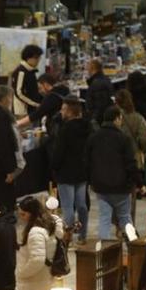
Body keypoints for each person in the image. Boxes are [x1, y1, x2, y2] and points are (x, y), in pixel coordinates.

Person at [87, 106, 139, 239]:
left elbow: (87, 161)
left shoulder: (94, 138)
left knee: (104, 219)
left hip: (101, 187)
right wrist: (138, 181)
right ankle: (132, 250)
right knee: (125, 219)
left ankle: (104, 254)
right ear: (116, 119)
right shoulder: (124, 139)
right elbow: (130, 163)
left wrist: (91, 181)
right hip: (122, 187)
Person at [50, 97, 92, 240]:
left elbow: (58, 152)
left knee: (68, 207)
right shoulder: (88, 127)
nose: (61, 111)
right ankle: (82, 235)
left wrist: (54, 167)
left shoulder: (65, 129)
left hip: (66, 173)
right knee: (81, 205)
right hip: (82, 172)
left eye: (63, 109)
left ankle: (67, 237)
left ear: (68, 111)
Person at [13, 196, 57, 290]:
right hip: (43, 277)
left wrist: (22, 273)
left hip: (33, 282)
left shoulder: (35, 232)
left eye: (23, 214)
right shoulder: (48, 225)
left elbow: (37, 260)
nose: (21, 218)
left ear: (32, 213)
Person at [115, 89, 146, 220]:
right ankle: (129, 223)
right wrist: (141, 149)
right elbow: (145, 138)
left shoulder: (115, 118)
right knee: (132, 193)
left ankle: (118, 222)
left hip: (117, 161)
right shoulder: (138, 118)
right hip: (134, 159)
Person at [11, 44, 43, 121]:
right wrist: (35, 103)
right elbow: (19, 92)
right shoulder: (21, 71)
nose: (38, 60)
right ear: (28, 58)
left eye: (39, 58)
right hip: (22, 111)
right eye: (36, 58)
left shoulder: (30, 70)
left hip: (31, 109)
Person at [85, 57, 115, 125]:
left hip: (100, 122)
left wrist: (94, 120)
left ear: (92, 67)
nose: (87, 68)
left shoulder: (97, 84)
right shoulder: (104, 79)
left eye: (88, 65)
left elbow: (100, 105)